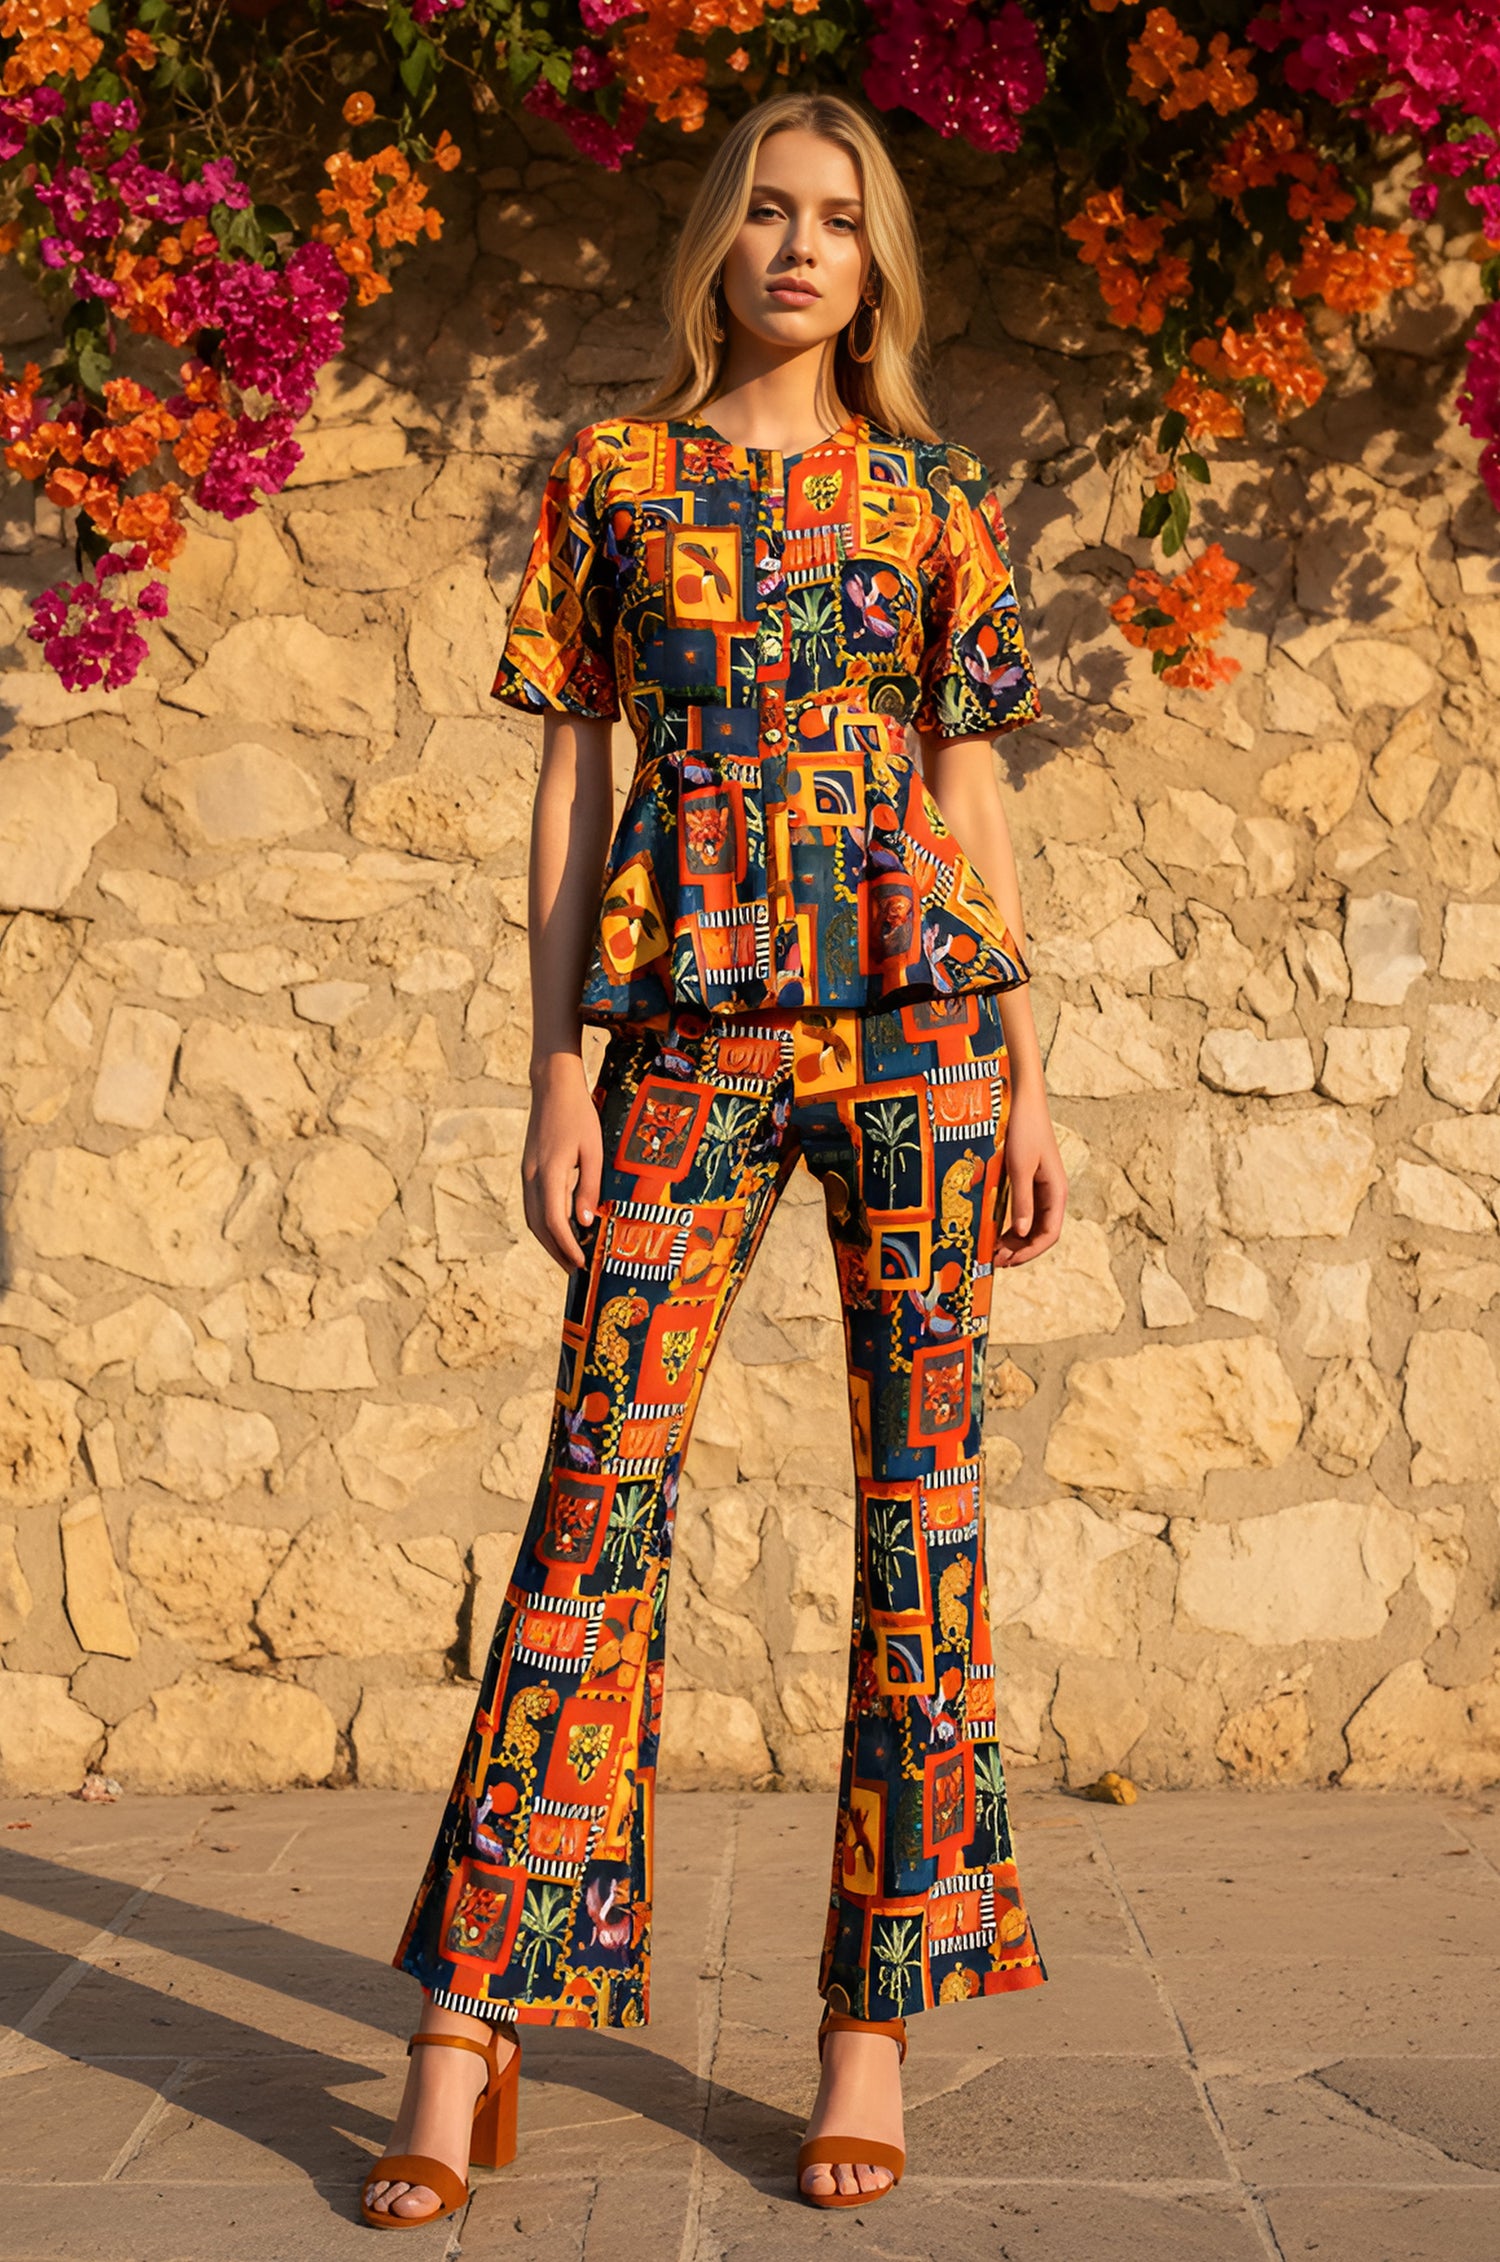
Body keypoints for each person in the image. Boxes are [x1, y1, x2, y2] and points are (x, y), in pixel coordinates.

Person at [360, 87, 1067, 2230]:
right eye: (765, 209)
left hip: (919, 1035)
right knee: (595, 1502)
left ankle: (871, 2031)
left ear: (877, 263)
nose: (799, 245)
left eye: (837, 217)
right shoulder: (612, 481)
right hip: (684, 1028)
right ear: (717, 242)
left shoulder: (937, 500)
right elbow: (574, 791)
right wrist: (555, 1066)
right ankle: (471, 2020)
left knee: (921, 1521)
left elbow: (971, 788)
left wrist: (1031, 1070)